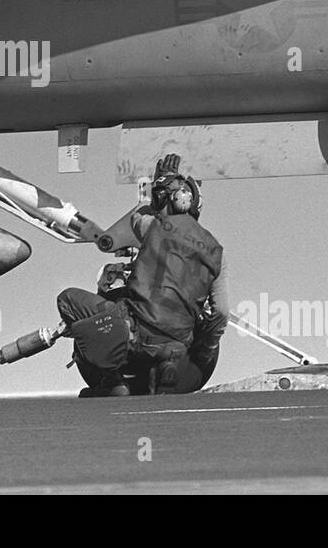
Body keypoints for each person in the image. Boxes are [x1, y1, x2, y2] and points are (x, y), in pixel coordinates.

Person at [57, 154, 229, 396]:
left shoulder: (153, 227)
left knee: (68, 299)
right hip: (178, 346)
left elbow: (138, 215)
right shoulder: (217, 252)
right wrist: (205, 348)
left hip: (135, 331)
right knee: (189, 333)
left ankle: (113, 380)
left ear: (175, 199)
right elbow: (221, 312)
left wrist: (160, 185)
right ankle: (165, 364)